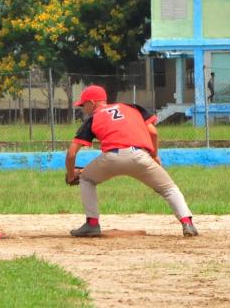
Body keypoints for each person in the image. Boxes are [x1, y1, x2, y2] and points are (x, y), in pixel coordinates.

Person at [65, 85, 198, 238]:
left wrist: (70, 175)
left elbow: (71, 154)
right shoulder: (133, 108)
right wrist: (154, 155)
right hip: (140, 156)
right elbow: (153, 132)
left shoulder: (93, 119)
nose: (83, 108)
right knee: (169, 189)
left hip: (111, 158)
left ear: (93, 102)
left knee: (86, 179)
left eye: (83, 104)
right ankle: (187, 223)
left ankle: (92, 224)